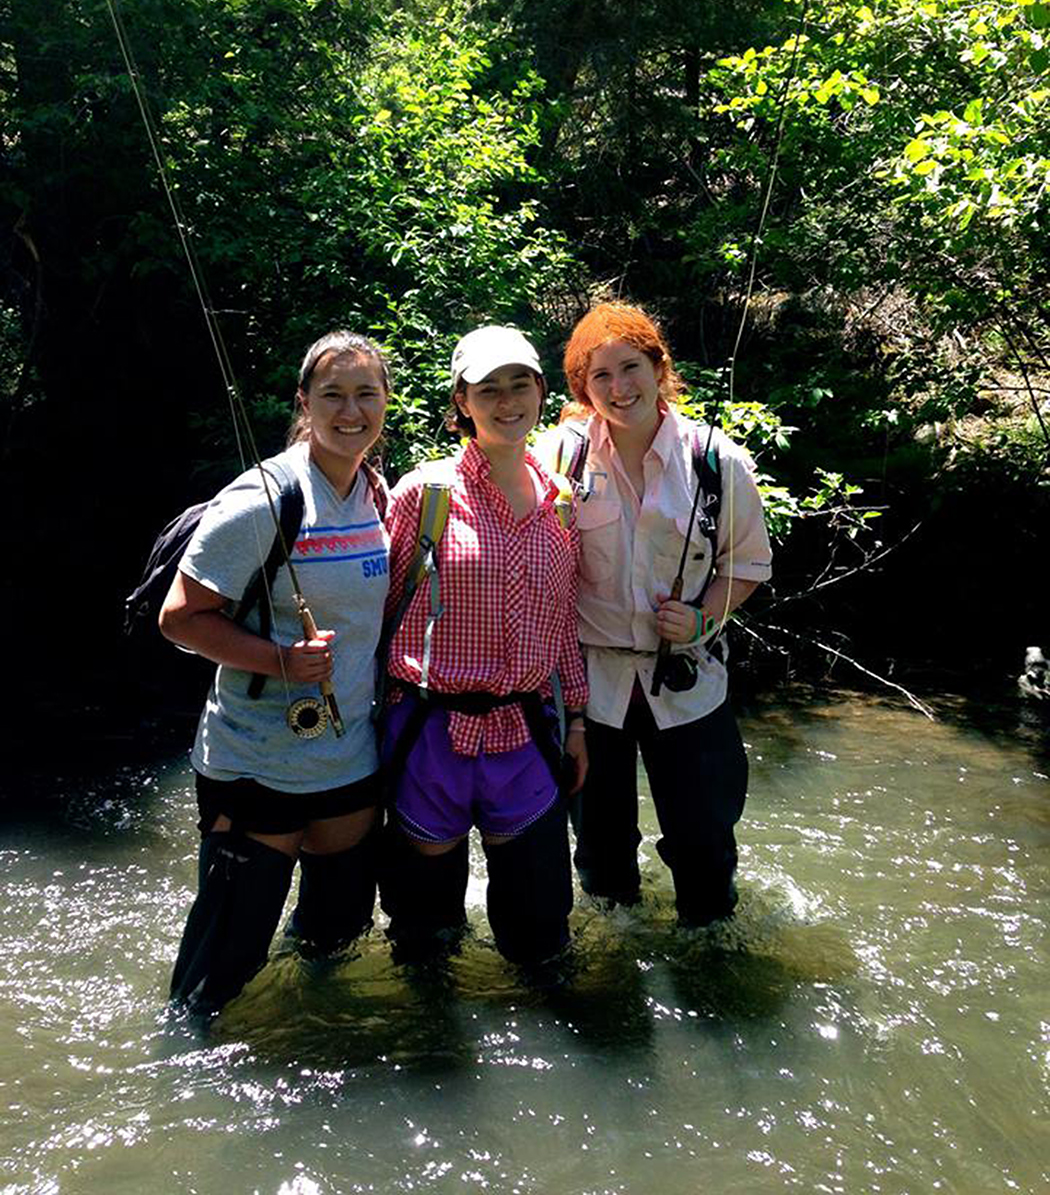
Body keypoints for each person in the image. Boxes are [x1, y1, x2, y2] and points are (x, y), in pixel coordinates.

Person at [160, 330, 391, 1016]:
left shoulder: (372, 491)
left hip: (348, 762)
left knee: (334, 941)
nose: (351, 412)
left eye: (365, 395)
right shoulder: (266, 498)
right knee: (219, 971)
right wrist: (280, 661)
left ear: (385, 403)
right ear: (304, 402)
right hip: (256, 762)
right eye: (333, 396)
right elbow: (178, 618)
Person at [551, 301, 772, 927]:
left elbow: (747, 564)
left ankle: (709, 951)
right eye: (601, 376)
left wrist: (704, 617)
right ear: (583, 389)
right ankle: (614, 960)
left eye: (631, 367)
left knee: (704, 845)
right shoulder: (560, 458)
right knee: (599, 853)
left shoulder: (715, 460)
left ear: (659, 367)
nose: (620, 388)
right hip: (593, 691)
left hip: (689, 682)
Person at [378, 325, 588, 972]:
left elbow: (564, 623)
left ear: (541, 392)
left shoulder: (561, 501)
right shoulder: (425, 494)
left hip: (524, 734)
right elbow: (377, 609)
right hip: (428, 733)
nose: (506, 401)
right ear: (461, 403)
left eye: (518, 384)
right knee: (423, 938)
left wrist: (577, 721)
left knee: (540, 935)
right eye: (487, 389)